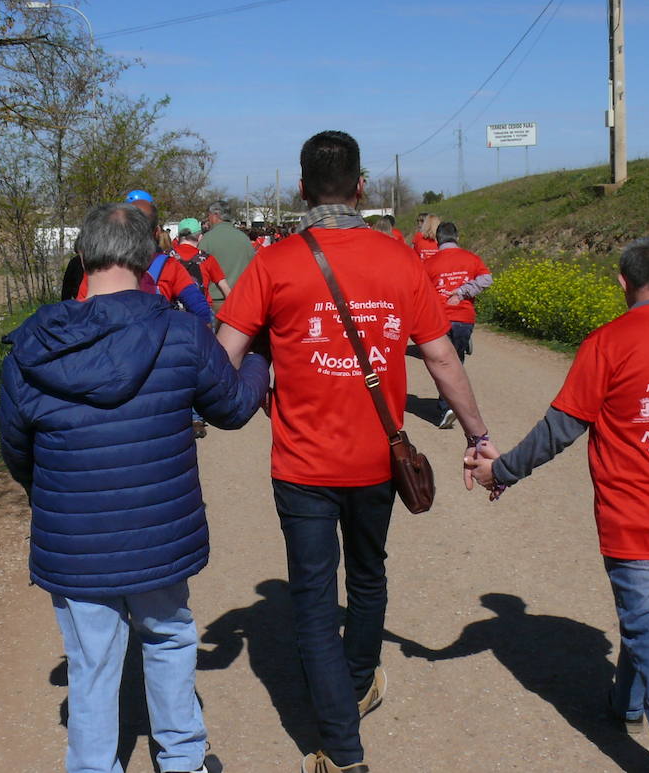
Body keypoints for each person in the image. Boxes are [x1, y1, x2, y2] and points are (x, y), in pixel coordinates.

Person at [216, 130, 491, 773]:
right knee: (368, 575)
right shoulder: (400, 260)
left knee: (312, 599)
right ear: (362, 187)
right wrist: (478, 434)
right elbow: (442, 356)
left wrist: (261, 382)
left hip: (303, 466)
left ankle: (343, 754)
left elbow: (224, 356)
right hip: (378, 461)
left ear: (302, 187)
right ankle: (361, 677)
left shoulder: (272, 263)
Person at [0, 202, 271, 773]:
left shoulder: (31, 347)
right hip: (158, 535)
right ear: (149, 258)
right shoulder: (180, 334)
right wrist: (260, 356)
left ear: (81, 257)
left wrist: (47, 494)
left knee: (91, 662)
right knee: (168, 638)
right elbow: (236, 407)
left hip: (73, 540)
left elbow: (17, 450)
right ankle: (183, 760)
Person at [466, 236, 649, 773]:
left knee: (647, 622)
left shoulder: (609, 343)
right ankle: (628, 702)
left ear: (624, 283)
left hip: (634, 516)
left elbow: (560, 429)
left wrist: (500, 470)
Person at [77, 191, 213, 324]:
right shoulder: (169, 266)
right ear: (157, 233)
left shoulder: (99, 266)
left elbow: (81, 311)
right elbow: (200, 309)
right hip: (154, 339)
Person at [422, 221, 492, 429]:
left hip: (439, 321)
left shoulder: (430, 264)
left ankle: (446, 407)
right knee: (457, 363)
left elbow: (423, 293)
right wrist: (464, 291)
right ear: (457, 237)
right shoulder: (471, 258)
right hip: (464, 320)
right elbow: (487, 279)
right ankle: (454, 406)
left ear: (437, 240)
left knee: (442, 365)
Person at [174, 217, 231, 307]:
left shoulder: (166, 257)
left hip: (173, 314)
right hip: (202, 313)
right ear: (200, 237)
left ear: (178, 238)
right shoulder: (207, 259)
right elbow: (225, 288)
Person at [200, 199, 256, 287]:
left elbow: (199, 271)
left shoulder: (207, 239)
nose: (208, 219)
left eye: (209, 215)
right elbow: (254, 267)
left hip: (215, 298)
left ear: (216, 215)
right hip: (241, 296)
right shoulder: (244, 238)